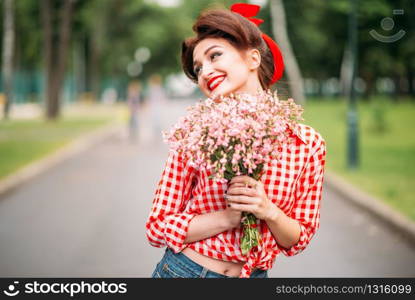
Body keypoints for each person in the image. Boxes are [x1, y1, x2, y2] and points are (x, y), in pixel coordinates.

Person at [145, 3, 326, 278]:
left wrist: (267, 210)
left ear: (253, 59)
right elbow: (157, 227)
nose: (205, 72)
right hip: (186, 272)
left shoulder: (306, 144)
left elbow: (297, 239)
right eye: (198, 68)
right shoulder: (195, 134)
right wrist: (228, 218)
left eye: (214, 56)